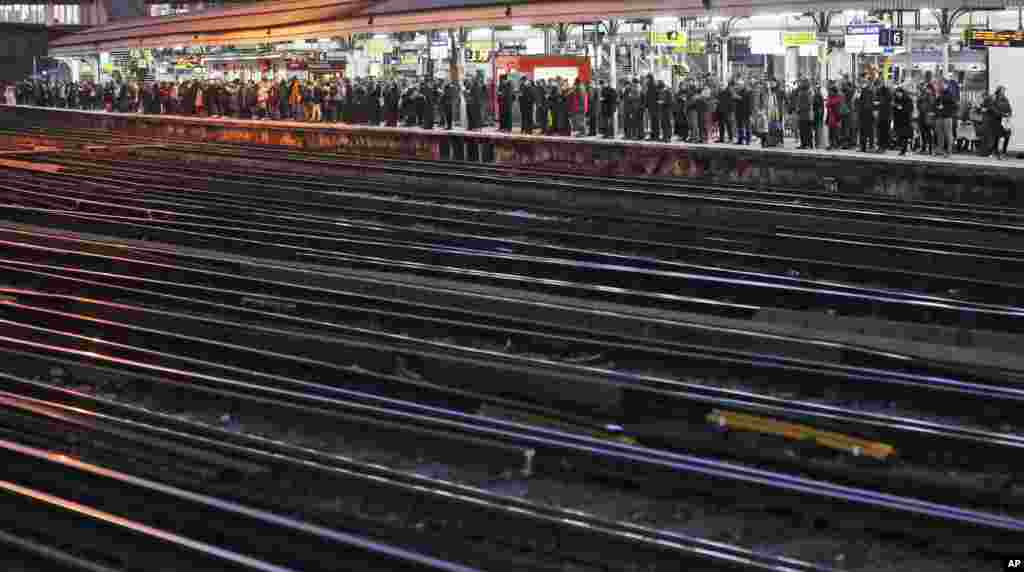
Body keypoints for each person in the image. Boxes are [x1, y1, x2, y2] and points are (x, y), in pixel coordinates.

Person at [934, 80, 957, 158]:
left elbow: (954, 105)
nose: (941, 86)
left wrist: (944, 107)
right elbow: (936, 103)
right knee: (940, 134)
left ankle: (949, 151)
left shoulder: (950, 94)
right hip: (940, 116)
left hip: (947, 116)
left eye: (943, 84)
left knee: (948, 134)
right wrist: (937, 108)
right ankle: (940, 150)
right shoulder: (940, 93)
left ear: (946, 85)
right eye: (940, 84)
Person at [892, 86, 913, 156]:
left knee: (904, 136)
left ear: (902, 93)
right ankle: (902, 149)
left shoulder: (907, 99)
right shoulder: (896, 99)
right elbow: (894, 109)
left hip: (905, 120)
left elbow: (909, 109)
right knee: (900, 136)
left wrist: (901, 108)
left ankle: (903, 150)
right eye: (897, 93)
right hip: (898, 120)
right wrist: (896, 107)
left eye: (899, 93)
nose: (898, 94)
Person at [825, 84, 843, 150]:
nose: (829, 92)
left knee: (836, 132)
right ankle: (831, 144)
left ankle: (836, 145)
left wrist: (838, 119)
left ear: (834, 91)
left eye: (830, 91)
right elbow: (828, 106)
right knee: (831, 132)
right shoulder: (830, 98)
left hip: (836, 118)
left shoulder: (838, 98)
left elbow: (836, 108)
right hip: (831, 117)